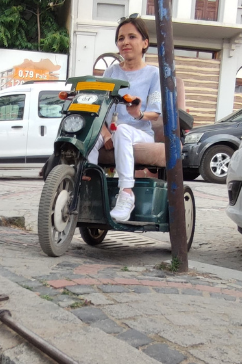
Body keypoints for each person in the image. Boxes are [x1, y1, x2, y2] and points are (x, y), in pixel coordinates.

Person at [87, 16, 161, 222]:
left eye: (131, 37)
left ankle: (127, 193)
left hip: (140, 133)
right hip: (111, 130)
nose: (125, 42)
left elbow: (155, 112)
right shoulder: (111, 72)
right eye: (120, 38)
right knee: (86, 133)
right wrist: (104, 133)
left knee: (123, 131)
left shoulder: (153, 74)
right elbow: (100, 105)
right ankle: (89, 188)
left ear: (145, 43)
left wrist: (138, 113)